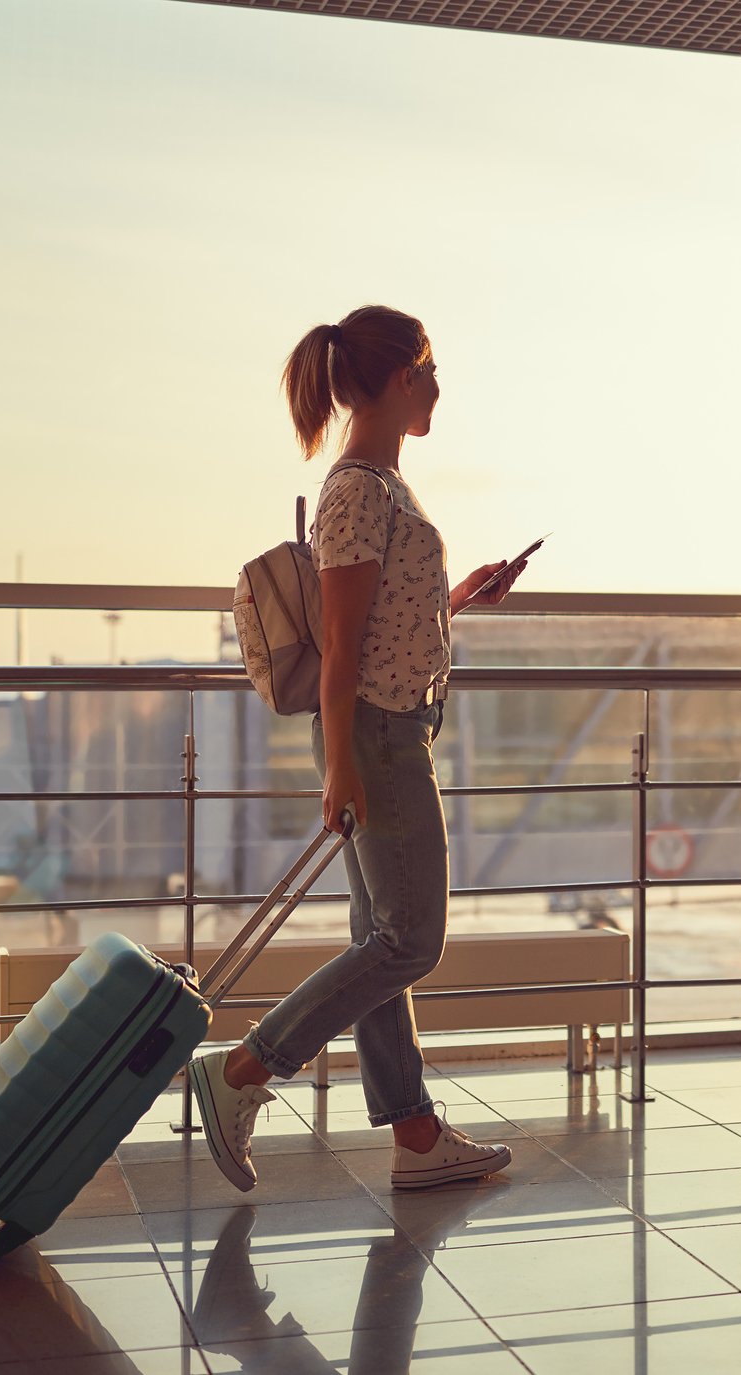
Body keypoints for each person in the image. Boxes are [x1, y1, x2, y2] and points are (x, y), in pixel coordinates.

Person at [189, 305, 527, 1192]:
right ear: (397, 379)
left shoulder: (382, 484)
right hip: (374, 737)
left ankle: (414, 1136)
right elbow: (339, 649)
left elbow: (374, 628)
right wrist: (341, 764)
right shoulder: (356, 494)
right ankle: (241, 1072)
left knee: (378, 937)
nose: (438, 385)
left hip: (387, 726)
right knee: (410, 943)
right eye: (429, 367)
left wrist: (454, 599)